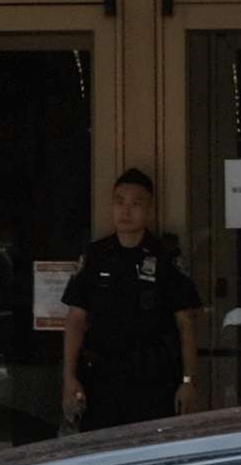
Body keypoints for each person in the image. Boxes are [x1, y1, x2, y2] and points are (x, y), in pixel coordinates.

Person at [51, 166, 199, 429]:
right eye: (119, 202)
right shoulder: (96, 256)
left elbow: (185, 324)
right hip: (101, 380)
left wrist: (188, 381)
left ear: (150, 209)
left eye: (136, 203)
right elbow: (75, 320)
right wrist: (70, 378)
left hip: (153, 381)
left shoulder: (166, 258)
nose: (126, 211)